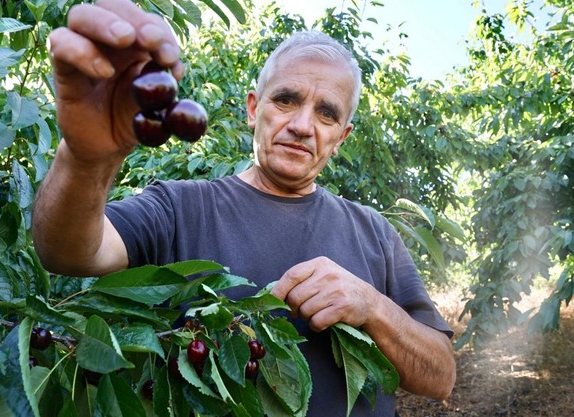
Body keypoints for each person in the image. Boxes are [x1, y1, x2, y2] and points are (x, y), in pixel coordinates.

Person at [33, 0, 456, 415]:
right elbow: (67, 251)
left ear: (340, 138)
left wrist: (373, 307)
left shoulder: (375, 232)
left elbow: (440, 377)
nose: (302, 126)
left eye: (326, 114)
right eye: (285, 100)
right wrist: (84, 160)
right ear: (254, 109)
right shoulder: (181, 208)